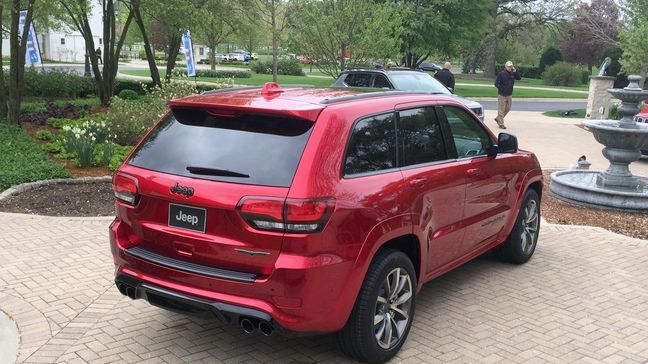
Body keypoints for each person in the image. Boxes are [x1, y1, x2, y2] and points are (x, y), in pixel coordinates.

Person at [494, 60, 521, 129]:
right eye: (509, 66)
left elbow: (519, 78)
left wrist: (515, 71)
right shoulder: (501, 74)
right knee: (501, 109)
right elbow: (496, 84)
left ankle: (498, 118)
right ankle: (501, 124)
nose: (510, 67)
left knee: (508, 108)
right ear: (505, 67)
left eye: (511, 66)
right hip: (502, 94)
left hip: (509, 94)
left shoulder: (513, 73)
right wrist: (501, 89)